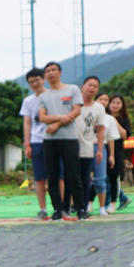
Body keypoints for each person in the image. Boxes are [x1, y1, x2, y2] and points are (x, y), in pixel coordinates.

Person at [38, 61, 84, 221]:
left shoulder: (72, 89)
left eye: (54, 69)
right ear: (45, 76)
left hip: (69, 138)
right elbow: (43, 117)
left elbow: (76, 111)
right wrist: (63, 117)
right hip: (50, 140)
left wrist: (57, 123)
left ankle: (80, 209)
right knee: (52, 176)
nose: (51, 73)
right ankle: (57, 209)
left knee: (73, 175)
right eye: (48, 71)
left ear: (60, 72)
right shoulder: (44, 96)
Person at [73, 76, 106, 218]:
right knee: (71, 179)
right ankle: (70, 207)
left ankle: (83, 209)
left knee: (85, 180)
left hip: (87, 147)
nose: (92, 88)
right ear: (83, 86)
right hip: (70, 147)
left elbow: (101, 129)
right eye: (89, 85)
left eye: (95, 86)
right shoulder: (74, 103)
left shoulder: (99, 108)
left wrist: (99, 150)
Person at [20, 68, 50, 220]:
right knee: (39, 177)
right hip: (36, 141)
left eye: (37, 80)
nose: (34, 83)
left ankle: (63, 207)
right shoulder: (28, 101)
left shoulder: (52, 96)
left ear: (43, 79)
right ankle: (43, 209)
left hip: (54, 139)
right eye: (31, 82)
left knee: (59, 177)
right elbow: (27, 122)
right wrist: (28, 144)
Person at [103, 94, 131, 212]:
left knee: (114, 177)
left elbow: (125, 135)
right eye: (113, 102)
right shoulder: (102, 115)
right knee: (104, 178)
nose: (115, 105)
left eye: (118, 103)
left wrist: (114, 121)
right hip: (103, 148)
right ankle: (122, 198)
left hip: (118, 151)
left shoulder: (124, 119)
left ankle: (112, 202)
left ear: (122, 105)